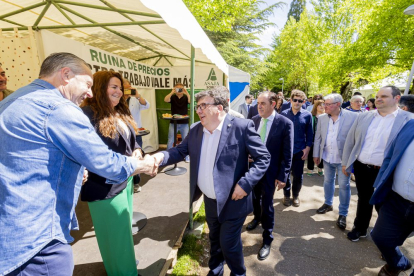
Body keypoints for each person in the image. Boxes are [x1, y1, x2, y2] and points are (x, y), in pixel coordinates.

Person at [0, 52, 157, 276]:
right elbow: (104, 161)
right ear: (66, 75)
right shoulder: (60, 109)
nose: (89, 92)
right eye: (87, 84)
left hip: (15, 228)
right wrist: (144, 165)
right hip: (40, 235)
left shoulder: (14, 100)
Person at [152, 87, 271, 276]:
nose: (198, 110)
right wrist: (158, 157)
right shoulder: (196, 130)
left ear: (220, 108)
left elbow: (264, 158)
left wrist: (246, 184)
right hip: (210, 199)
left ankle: (238, 273)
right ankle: (215, 271)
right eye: (198, 107)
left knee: (228, 243)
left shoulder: (242, 127)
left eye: (203, 106)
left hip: (234, 200)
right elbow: (179, 151)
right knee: (214, 240)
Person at [80, 71, 140, 276]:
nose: (119, 91)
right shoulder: (87, 115)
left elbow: (133, 137)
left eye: (120, 88)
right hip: (103, 186)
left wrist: (138, 149)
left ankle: (124, 266)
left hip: (126, 180)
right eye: (113, 87)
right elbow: (82, 150)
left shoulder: (121, 111)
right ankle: (125, 272)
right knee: (114, 234)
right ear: (99, 88)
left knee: (122, 232)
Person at [342, 85, 414, 242]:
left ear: (397, 98)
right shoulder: (365, 116)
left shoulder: (407, 120)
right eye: (378, 96)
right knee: (364, 199)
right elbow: (351, 140)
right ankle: (360, 229)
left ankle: (387, 241)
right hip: (362, 167)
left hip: (387, 170)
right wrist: (346, 162)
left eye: (384, 96)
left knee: (385, 205)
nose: (379, 99)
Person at [245, 91, 293, 261]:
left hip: (271, 172)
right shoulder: (253, 121)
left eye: (263, 103)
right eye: (258, 103)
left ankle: (267, 238)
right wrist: (248, 154)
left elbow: (287, 153)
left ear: (273, 104)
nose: (259, 106)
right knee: (254, 197)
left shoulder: (285, 123)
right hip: (253, 169)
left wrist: (283, 176)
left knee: (267, 203)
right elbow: (248, 144)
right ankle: (257, 218)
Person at [369, 120, 414, 276]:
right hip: (396, 199)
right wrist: (380, 184)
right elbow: (391, 156)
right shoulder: (410, 124)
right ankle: (398, 263)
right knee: (381, 237)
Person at [313, 94, 358, 230]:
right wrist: (316, 154)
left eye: (328, 104)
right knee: (327, 181)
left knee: (344, 186)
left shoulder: (353, 117)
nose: (324, 106)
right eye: (325, 104)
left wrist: (351, 160)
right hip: (327, 157)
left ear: (338, 104)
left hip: (343, 160)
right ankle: (328, 203)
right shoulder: (321, 118)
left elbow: (356, 139)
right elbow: (318, 137)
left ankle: (343, 214)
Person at [281, 89, 313, 207]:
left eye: (300, 101)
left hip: (300, 150)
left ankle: (295, 196)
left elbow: (310, 133)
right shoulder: (283, 114)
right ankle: (286, 195)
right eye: (295, 100)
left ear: (304, 102)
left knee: (298, 175)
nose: (297, 102)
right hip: (285, 151)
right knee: (286, 175)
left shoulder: (307, 115)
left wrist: (308, 148)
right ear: (291, 100)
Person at [123, 79, 150, 147]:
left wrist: (137, 96)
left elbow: (146, 105)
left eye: (128, 89)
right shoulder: (117, 100)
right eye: (125, 89)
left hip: (136, 131)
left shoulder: (135, 99)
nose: (127, 91)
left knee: (138, 151)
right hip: (122, 131)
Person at [164, 83, 190, 151]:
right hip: (173, 122)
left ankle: (187, 156)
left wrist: (186, 92)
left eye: (180, 88)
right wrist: (172, 92)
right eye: (177, 88)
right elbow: (166, 100)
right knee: (170, 139)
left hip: (184, 122)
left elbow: (191, 101)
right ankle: (168, 155)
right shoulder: (172, 97)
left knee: (186, 140)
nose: (179, 90)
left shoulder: (185, 97)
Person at [306, 100, 325, 176]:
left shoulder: (326, 116)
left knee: (322, 153)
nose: (321, 106)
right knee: (311, 153)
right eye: (319, 105)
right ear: (316, 106)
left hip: (322, 137)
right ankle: (310, 169)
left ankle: (320, 168)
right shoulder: (311, 116)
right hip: (312, 137)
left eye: (323, 104)